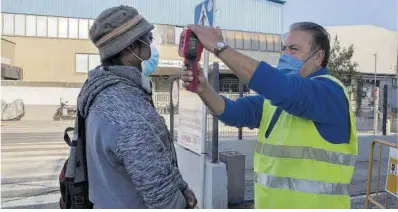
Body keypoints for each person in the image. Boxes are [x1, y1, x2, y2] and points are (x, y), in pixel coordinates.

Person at [180, 22, 358, 209]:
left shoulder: (329, 92)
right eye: (284, 49)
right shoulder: (276, 99)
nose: (285, 55)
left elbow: (284, 89)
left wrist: (220, 47)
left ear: (318, 57)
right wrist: (204, 89)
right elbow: (233, 112)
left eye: (293, 49)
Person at [77, 5, 196, 209]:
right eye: (148, 38)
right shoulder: (126, 111)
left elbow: (154, 158)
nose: (151, 43)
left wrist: (181, 186)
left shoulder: (102, 92)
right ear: (130, 48)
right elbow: (162, 198)